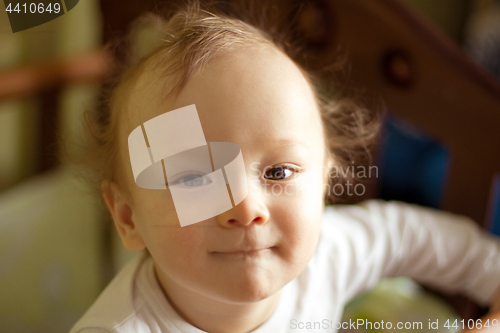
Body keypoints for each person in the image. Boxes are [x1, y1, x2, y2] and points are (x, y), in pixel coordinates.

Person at [70, 2, 500, 332]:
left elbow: (418, 237)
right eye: (195, 177)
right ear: (128, 218)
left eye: (278, 173)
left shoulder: (329, 253)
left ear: (325, 183)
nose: (245, 207)